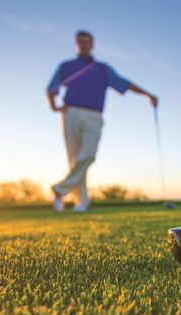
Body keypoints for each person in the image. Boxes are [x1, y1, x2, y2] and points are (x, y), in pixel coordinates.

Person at [47, 30, 158, 212]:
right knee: (74, 158)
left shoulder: (102, 68)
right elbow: (51, 88)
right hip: (71, 112)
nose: (84, 44)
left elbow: (125, 83)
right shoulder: (66, 65)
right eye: (80, 41)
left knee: (88, 155)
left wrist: (148, 95)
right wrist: (54, 107)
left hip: (94, 115)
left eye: (87, 41)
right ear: (76, 44)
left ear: (92, 44)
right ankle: (81, 202)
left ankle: (60, 189)